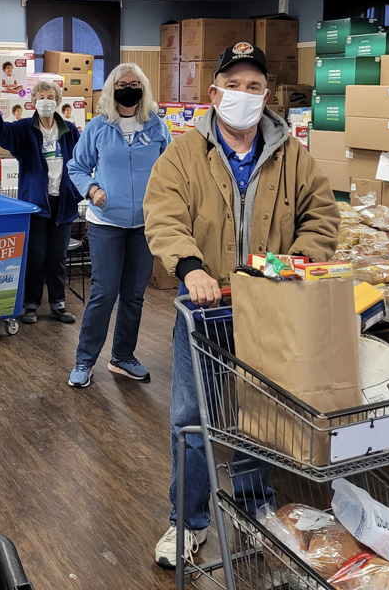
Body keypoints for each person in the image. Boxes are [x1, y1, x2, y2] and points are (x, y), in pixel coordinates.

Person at [143, 42, 340, 568]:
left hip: (267, 311)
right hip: (204, 313)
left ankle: (255, 514)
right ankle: (186, 523)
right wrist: (191, 268)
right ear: (214, 93)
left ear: (267, 94)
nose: (244, 96)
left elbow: (322, 217)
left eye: (255, 87)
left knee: (259, 418)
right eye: (234, 85)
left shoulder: (291, 154)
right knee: (192, 418)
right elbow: (163, 215)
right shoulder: (185, 153)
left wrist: (292, 265)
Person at [66, 63, 171, 388]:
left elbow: (171, 170)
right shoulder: (98, 127)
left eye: (135, 83)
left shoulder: (157, 128)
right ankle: (85, 360)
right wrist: (93, 189)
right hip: (106, 223)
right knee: (104, 292)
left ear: (144, 88)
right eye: (123, 83)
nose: (129, 88)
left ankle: (123, 357)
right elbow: (77, 166)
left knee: (135, 295)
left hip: (145, 225)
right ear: (113, 89)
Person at [0, 75, 82, 324]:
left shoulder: (69, 130)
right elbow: (2, 134)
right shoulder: (25, 129)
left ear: (57, 101)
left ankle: (58, 305)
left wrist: (79, 191)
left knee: (57, 257)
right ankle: (31, 305)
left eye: (50, 98)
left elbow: (81, 161)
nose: (46, 102)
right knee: (36, 256)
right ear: (33, 101)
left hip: (63, 203)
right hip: (36, 204)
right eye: (41, 97)